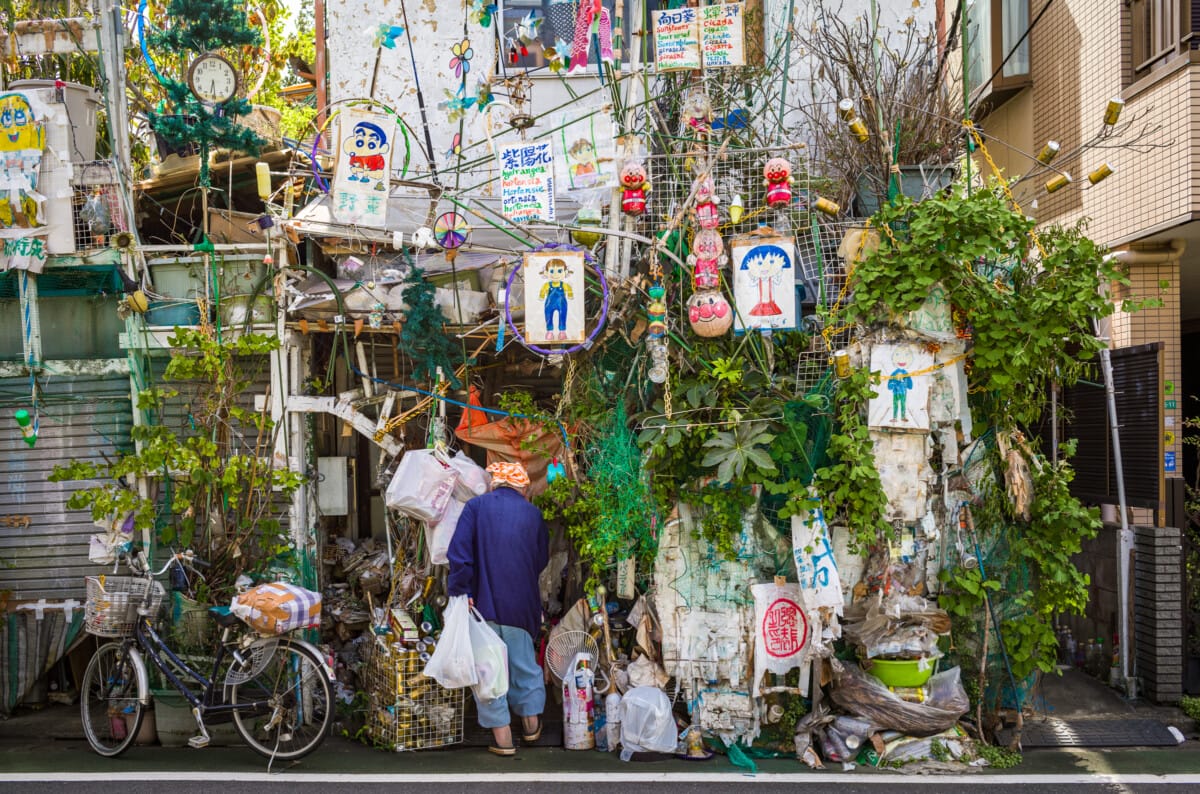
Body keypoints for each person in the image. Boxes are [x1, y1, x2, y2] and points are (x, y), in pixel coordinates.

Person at [447, 460, 549, 756]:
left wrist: (461, 590)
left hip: (482, 606)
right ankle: (531, 727)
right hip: (522, 605)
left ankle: (503, 739)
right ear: (520, 486)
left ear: (495, 482)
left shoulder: (476, 508)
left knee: (488, 670)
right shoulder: (533, 514)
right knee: (523, 664)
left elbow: (460, 554)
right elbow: (540, 559)